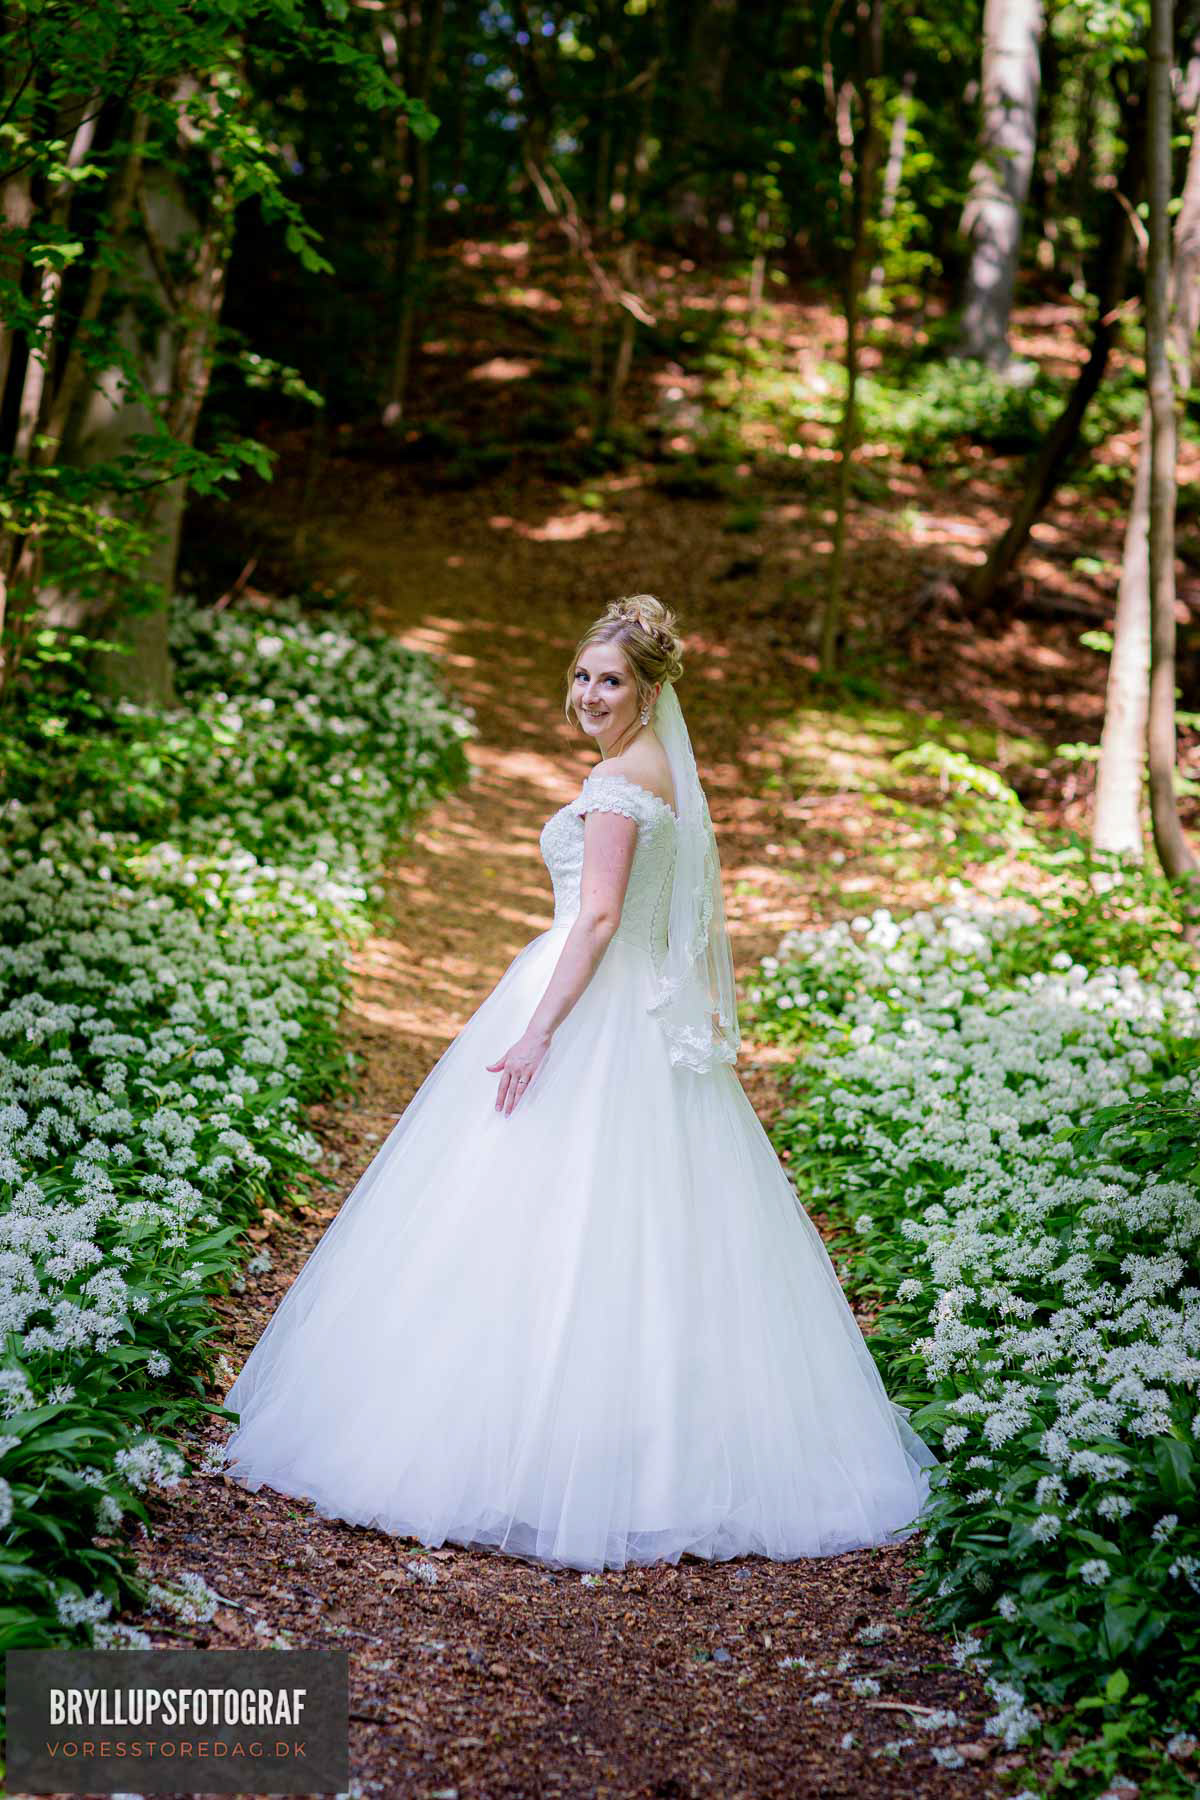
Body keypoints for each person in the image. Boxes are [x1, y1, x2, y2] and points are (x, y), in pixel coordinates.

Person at [220, 594, 937, 1572]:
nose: (592, 694)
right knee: (654, 1229)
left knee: (536, 1211)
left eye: (613, 681)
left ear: (648, 692)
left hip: (588, 1000)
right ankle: (651, 1449)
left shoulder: (616, 784)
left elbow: (597, 919)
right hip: (642, 1007)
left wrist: (538, 1032)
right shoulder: (661, 776)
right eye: (584, 676)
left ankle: (523, 1451)